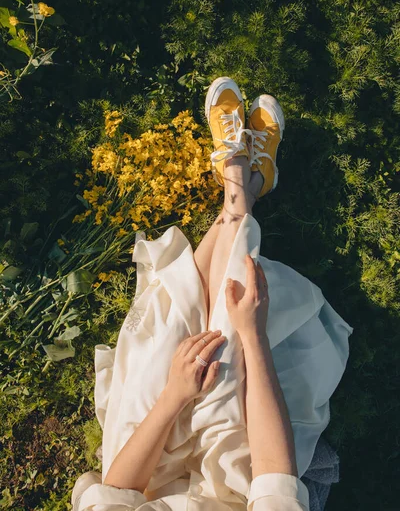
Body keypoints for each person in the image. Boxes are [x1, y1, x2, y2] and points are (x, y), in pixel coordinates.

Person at [71, 77, 353, 510]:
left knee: (170, 352)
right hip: (239, 482)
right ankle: (241, 188)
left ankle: (240, 190)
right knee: (223, 360)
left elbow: (116, 492)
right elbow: (274, 480)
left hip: (150, 477)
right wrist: (253, 333)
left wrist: (174, 396)